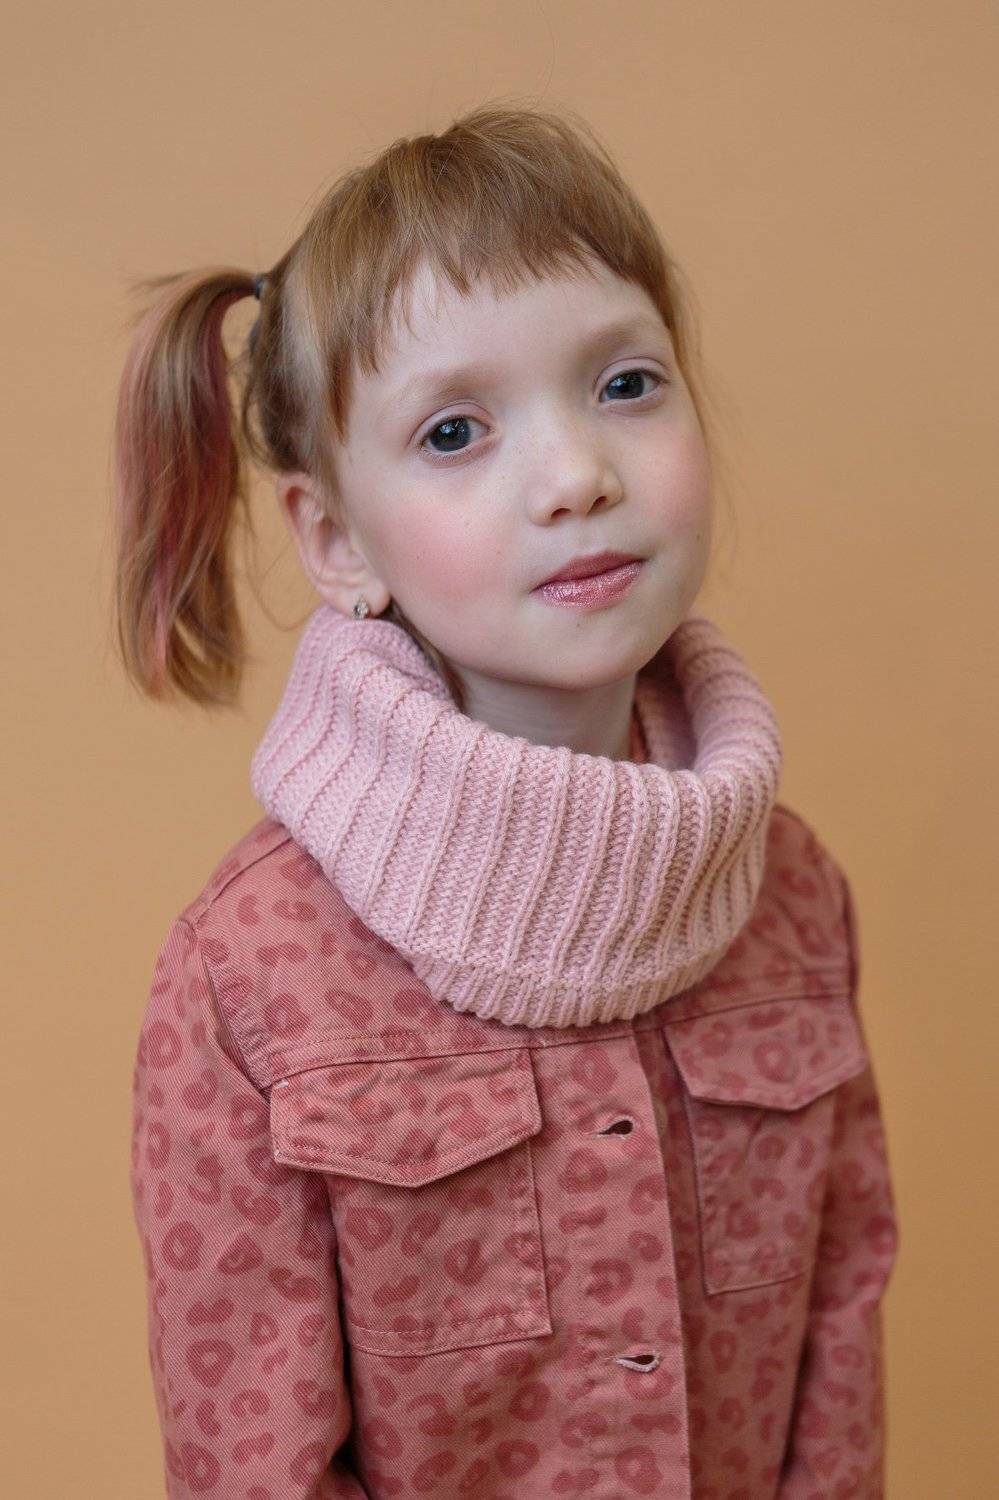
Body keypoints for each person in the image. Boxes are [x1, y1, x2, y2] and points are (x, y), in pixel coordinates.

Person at [116, 102, 899, 1498]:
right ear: (337, 540)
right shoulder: (250, 978)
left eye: (626, 383)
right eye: (457, 430)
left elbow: (839, 1349)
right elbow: (255, 1467)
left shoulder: (794, 898)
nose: (578, 477)